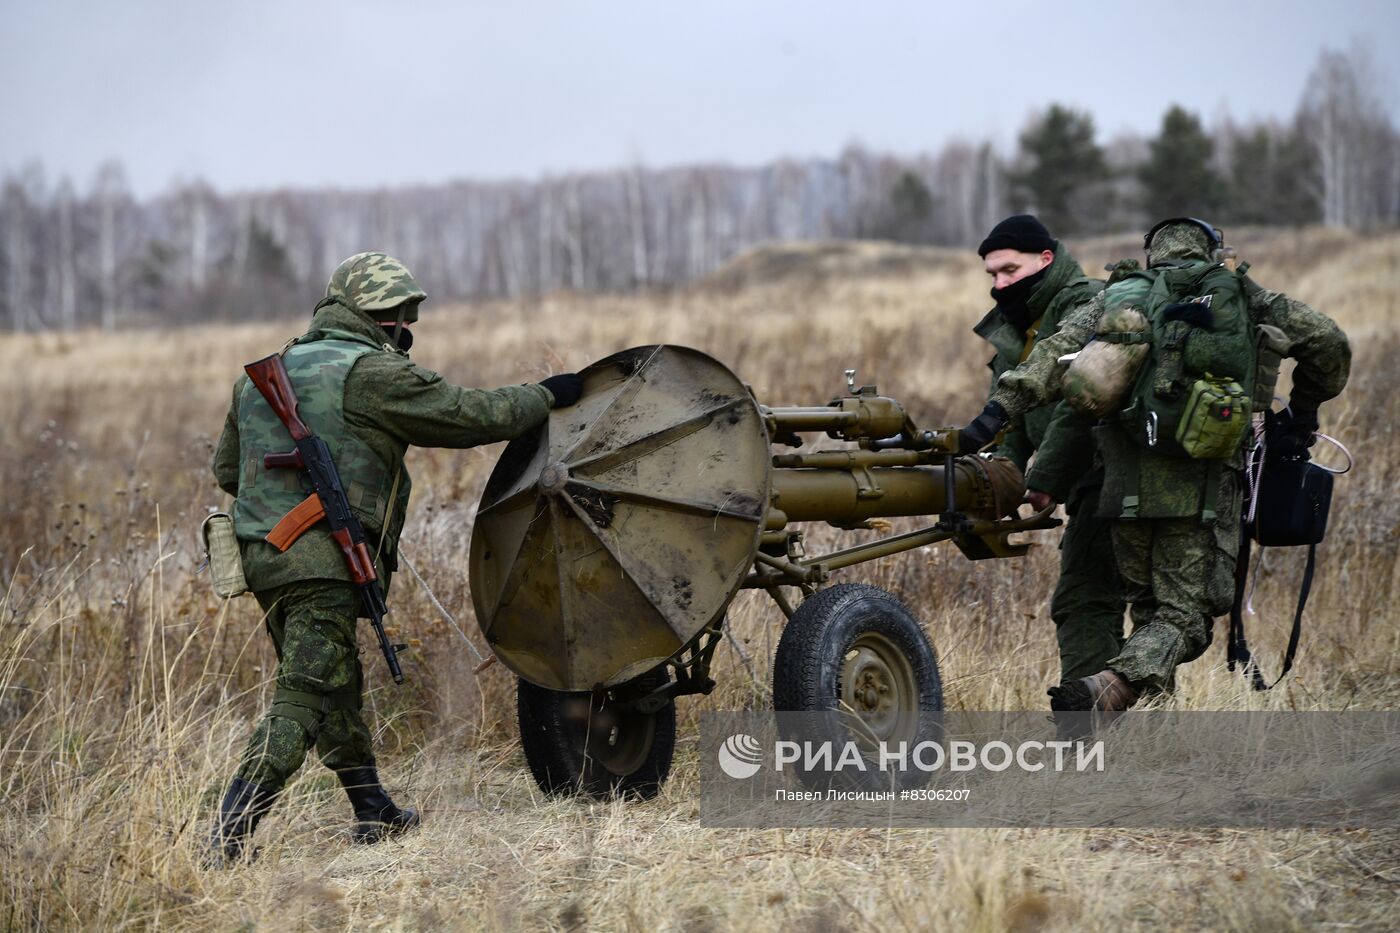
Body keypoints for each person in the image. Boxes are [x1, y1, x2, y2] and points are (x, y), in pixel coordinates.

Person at [207, 252, 582, 863]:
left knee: (335, 684)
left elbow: (229, 470)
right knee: (303, 694)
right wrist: (545, 395)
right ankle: (231, 833)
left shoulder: (264, 373)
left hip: (264, 560)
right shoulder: (372, 374)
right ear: (379, 317)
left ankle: (373, 809)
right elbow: (471, 416)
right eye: (398, 316)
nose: (404, 328)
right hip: (319, 560)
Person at [958, 219, 1350, 711]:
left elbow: (1056, 355)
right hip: (1202, 484)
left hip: (1122, 483)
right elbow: (1330, 344)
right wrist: (1304, 411)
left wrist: (993, 415)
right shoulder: (1247, 296)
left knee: (1148, 609)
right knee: (1185, 618)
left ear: (1152, 254)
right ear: (1213, 252)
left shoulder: (1117, 297)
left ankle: (1145, 731)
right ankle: (1111, 684)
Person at [970, 215, 1127, 695]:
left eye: (1009, 272)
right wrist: (1000, 471)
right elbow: (1012, 412)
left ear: (1046, 259)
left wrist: (1046, 478)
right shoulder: (1017, 325)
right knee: (1084, 598)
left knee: (1113, 600)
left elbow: (1080, 406)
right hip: (1084, 483)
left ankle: (1104, 721)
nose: (999, 285)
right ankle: (1100, 715)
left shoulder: (1086, 305)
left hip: (1117, 470)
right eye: (992, 275)